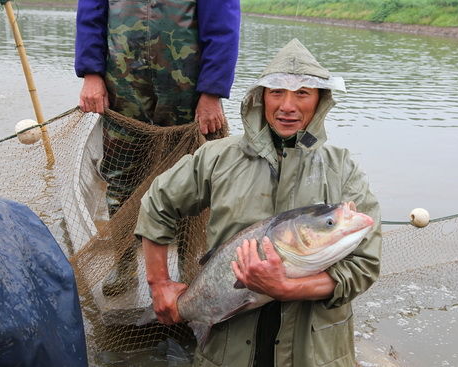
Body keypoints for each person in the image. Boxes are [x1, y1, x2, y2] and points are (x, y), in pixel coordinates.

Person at [135, 39, 382, 366]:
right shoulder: (217, 156)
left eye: (303, 93)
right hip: (228, 348)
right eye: (276, 92)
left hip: (315, 351)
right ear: (260, 98)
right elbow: (157, 203)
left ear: (320, 101)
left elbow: (364, 266)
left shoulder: (343, 168)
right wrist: (159, 283)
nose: (288, 106)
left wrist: (286, 288)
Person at [74, 0, 240, 295]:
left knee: (193, 179)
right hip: (120, 84)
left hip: (184, 89)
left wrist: (212, 91)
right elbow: (91, 14)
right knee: (119, 175)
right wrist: (91, 73)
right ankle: (124, 266)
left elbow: (223, 26)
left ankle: (189, 269)